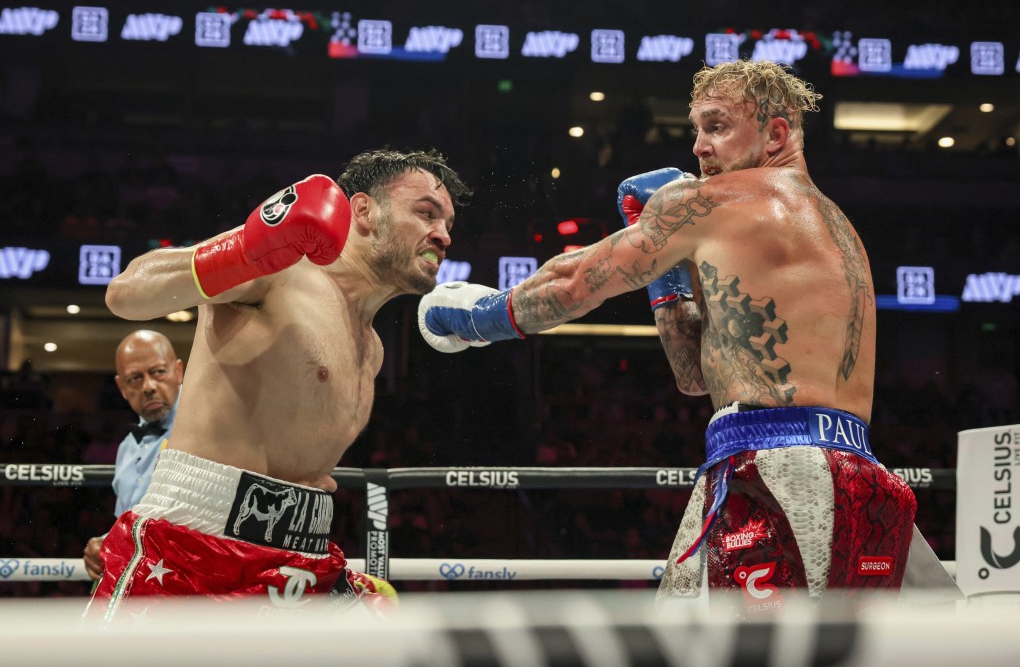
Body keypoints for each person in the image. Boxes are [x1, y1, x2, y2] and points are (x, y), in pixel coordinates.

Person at [419, 60, 920, 616]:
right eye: (696, 130)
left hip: (778, 471)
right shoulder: (835, 226)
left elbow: (575, 281)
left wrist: (478, 319)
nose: (700, 148)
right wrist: (668, 274)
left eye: (718, 126)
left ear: (776, 133)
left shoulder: (721, 201)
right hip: (846, 477)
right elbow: (694, 376)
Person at [86, 149, 470, 621]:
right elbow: (126, 292)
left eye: (449, 222)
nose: (443, 235)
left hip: (301, 560)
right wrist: (245, 251)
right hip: (194, 546)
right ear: (365, 211)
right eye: (426, 213)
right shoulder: (282, 269)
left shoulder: (372, 349)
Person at [82, 330, 183, 582]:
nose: (148, 387)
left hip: (190, 581)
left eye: (158, 372)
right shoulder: (126, 448)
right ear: (122, 388)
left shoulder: (203, 430)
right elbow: (130, 524)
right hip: (144, 583)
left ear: (179, 372)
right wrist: (103, 543)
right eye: (135, 379)